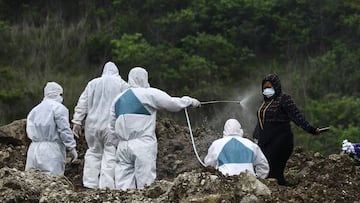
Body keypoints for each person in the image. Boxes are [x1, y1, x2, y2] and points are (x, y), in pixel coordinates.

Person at [110, 67, 201, 190]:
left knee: (123, 187)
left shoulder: (117, 99)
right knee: (146, 185)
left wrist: (117, 143)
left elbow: (111, 126)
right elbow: (172, 103)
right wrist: (189, 101)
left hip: (122, 146)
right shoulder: (149, 93)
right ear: (144, 78)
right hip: (143, 144)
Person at [253, 74, 320, 185]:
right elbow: (260, 121)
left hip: (281, 140)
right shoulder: (264, 102)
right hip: (265, 141)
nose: (267, 90)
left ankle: (281, 191)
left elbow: (297, 117)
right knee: (266, 168)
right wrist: (256, 136)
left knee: (273, 169)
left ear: (276, 86)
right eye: (264, 88)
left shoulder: (284, 99)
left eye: (269, 87)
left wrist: (311, 129)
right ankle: (280, 189)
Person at [72, 61, 129, 189]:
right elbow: (128, 104)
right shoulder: (122, 84)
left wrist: (77, 121)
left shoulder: (92, 84)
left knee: (93, 152)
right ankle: (106, 186)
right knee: (110, 154)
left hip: (91, 126)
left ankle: (89, 183)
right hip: (111, 126)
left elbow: (82, 103)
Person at [25, 82, 78, 175]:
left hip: (33, 149)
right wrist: (71, 147)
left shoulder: (35, 110)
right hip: (51, 150)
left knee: (31, 181)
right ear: (57, 94)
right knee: (51, 182)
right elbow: (64, 129)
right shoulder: (59, 108)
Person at [204, 119, 269, 178]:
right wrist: (257, 179)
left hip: (224, 181)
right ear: (240, 130)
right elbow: (263, 166)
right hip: (247, 181)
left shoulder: (217, 144)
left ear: (224, 131)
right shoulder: (251, 144)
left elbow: (209, 164)